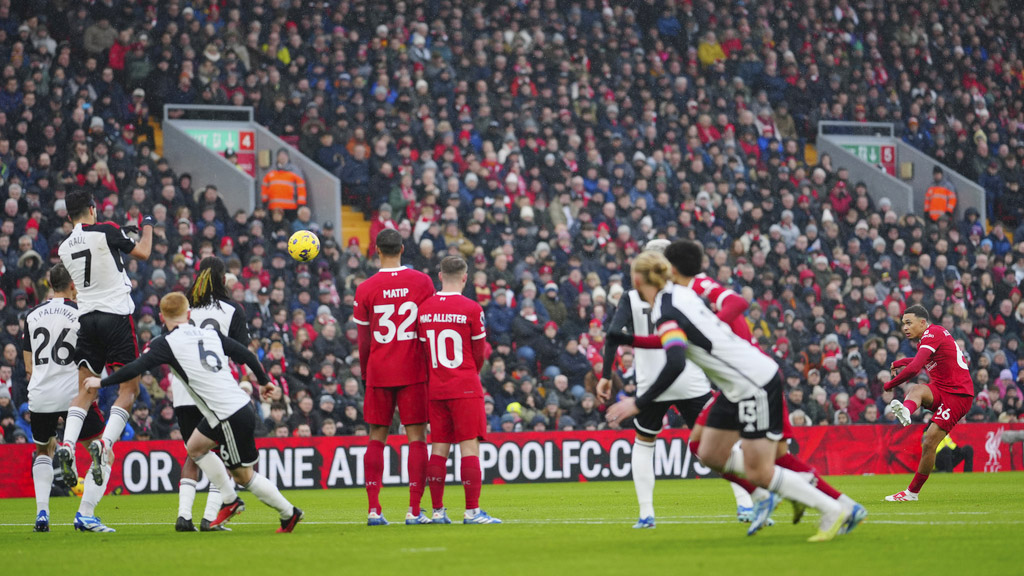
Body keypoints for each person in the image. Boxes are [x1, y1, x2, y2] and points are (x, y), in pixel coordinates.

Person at [605, 251, 862, 542]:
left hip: (754, 383)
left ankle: (831, 508)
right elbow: (678, 340)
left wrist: (638, 403)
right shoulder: (680, 296)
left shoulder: (665, 310)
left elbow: (675, 361)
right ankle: (775, 493)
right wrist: (629, 339)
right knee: (707, 451)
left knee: (760, 468)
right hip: (736, 384)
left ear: (637, 280)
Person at [85, 293, 303, 533]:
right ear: (188, 314)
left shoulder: (165, 343)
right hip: (230, 409)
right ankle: (230, 500)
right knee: (195, 447)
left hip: (228, 415)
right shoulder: (210, 334)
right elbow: (246, 354)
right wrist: (263, 381)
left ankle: (287, 513)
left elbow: (135, 368)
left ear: (161, 318)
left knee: (244, 476)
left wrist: (101, 382)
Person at [54, 189, 153, 530]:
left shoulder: (64, 247)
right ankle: (105, 443)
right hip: (115, 316)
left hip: (87, 319)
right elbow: (143, 251)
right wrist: (147, 225)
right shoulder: (107, 229)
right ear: (93, 209)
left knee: (86, 388)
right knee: (129, 390)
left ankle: (68, 444)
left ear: (69, 216)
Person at [597, 239, 713, 529]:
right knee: (714, 444)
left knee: (644, 443)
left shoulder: (632, 297)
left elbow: (613, 334)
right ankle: (747, 502)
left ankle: (646, 514)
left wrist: (606, 375)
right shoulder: (686, 293)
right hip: (689, 378)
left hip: (651, 383)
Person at [352, 228, 436, 525]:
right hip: (413, 369)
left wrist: (366, 373)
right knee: (417, 439)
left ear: (376, 250)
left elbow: (363, 340)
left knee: (376, 437)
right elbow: (428, 328)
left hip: (379, 370)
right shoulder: (422, 282)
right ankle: (414, 510)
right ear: (402, 249)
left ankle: (374, 510)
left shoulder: (365, 288)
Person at [23, 264, 106, 532]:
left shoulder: (32, 315)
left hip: (41, 394)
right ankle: (85, 513)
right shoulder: (82, 313)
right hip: (74, 396)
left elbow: (28, 366)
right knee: (102, 452)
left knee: (43, 451)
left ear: (50, 284)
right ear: (73, 284)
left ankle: (42, 514)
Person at [419, 256, 501, 524]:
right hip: (465, 386)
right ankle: (472, 511)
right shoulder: (472, 308)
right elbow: (479, 354)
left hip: (436, 387)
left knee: (438, 449)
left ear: (440, 276)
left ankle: (437, 511)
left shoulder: (424, 308)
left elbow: (423, 350)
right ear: (465, 278)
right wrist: (467, 372)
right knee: (469, 448)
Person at [172, 257, 250, 532]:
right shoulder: (232, 309)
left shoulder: (183, 306)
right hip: (214, 390)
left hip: (183, 389)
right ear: (223, 279)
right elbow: (241, 352)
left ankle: (184, 516)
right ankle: (210, 518)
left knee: (193, 453)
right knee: (224, 453)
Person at [884, 305, 976, 501]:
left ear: (922, 322)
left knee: (929, 442)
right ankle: (907, 410)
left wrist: (889, 385)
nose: (905, 327)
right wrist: (900, 362)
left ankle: (912, 493)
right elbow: (922, 360)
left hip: (959, 395)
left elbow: (915, 368)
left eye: (909, 323)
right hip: (942, 390)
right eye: (903, 324)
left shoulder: (932, 333)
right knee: (917, 389)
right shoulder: (929, 338)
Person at [261, 148, 307, 217]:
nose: (282, 157)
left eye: (284, 155)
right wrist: (264, 201)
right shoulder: (270, 171)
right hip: (274, 207)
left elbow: (301, 188)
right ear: (277, 157)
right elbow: (264, 187)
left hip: (290, 207)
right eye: (280, 155)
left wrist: (301, 203)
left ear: (288, 157)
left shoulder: (295, 171)